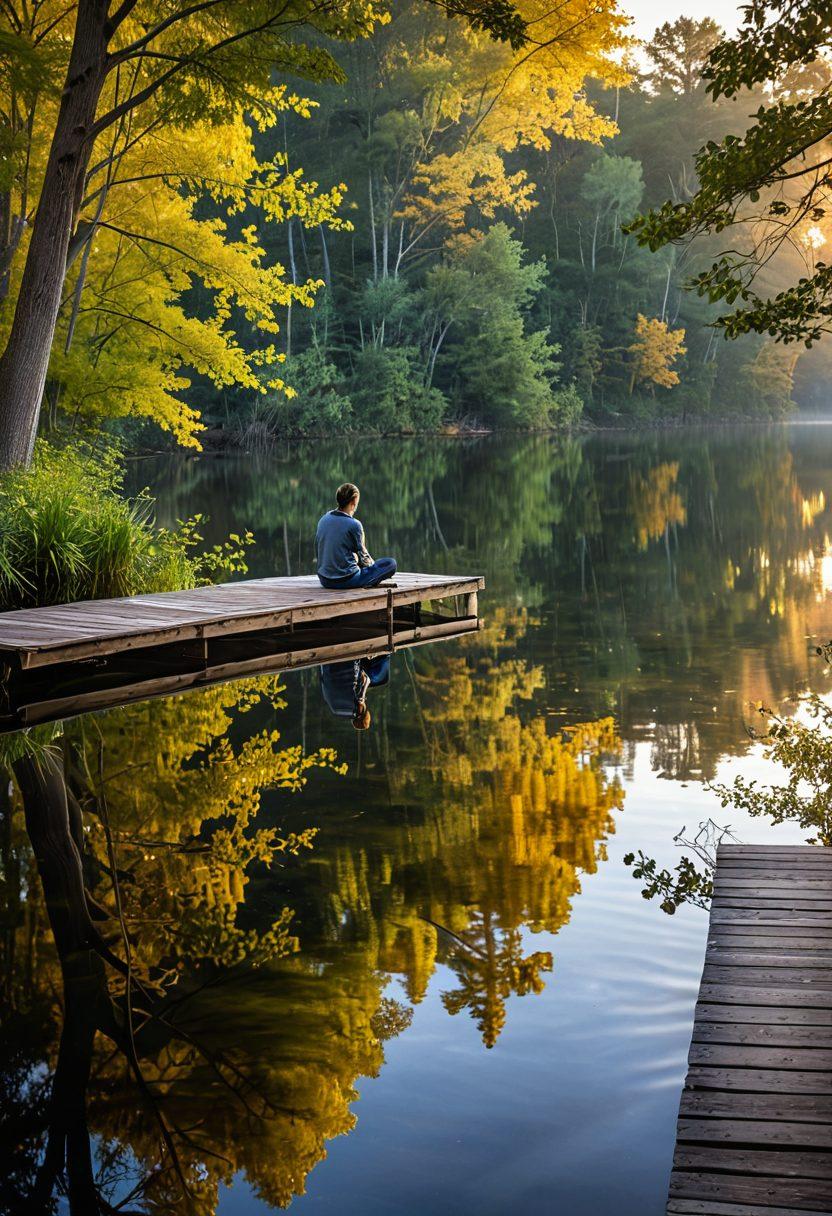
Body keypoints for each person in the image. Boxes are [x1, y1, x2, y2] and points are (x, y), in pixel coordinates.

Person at [315, 482, 397, 589]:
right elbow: (365, 559)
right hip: (346, 580)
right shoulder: (355, 524)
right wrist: (374, 570)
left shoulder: (323, 519)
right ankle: (368, 580)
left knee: (354, 557)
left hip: (324, 579)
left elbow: (320, 550)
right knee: (390, 564)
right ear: (354, 502)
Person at [320, 654, 391, 730]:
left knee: (381, 678)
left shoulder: (357, 698)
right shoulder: (334, 708)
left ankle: (386, 655)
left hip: (347, 657)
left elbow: (367, 680)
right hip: (327, 661)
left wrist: (362, 697)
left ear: (362, 710)